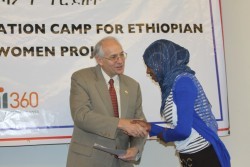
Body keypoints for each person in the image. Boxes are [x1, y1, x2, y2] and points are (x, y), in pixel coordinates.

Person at [133, 39, 231, 167]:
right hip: (192, 157)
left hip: (204, 157)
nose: (148, 71)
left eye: (149, 65)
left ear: (161, 62)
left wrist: (165, 135)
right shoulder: (173, 84)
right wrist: (151, 127)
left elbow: (184, 131)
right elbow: (184, 127)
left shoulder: (183, 82)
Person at [66, 36, 148, 167]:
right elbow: (81, 116)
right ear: (99, 60)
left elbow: (140, 125)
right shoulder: (82, 78)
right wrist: (120, 123)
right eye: (113, 57)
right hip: (88, 161)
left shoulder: (133, 86)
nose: (120, 60)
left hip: (122, 162)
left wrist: (136, 149)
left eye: (122, 55)